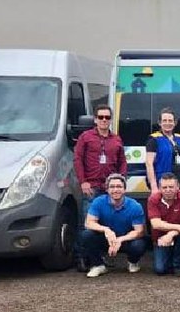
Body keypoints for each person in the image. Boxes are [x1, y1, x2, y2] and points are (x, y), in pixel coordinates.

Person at [73, 104, 127, 272]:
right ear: (95, 119)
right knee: (87, 224)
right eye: (101, 117)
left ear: (110, 120)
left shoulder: (116, 139)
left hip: (109, 189)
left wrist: (121, 180)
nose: (104, 120)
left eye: (107, 117)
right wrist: (83, 181)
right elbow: (78, 160)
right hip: (92, 186)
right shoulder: (85, 137)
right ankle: (81, 258)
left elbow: (122, 162)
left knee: (105, 223)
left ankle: (99, 256)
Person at [80, 173, 146, 278]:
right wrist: (106, 230)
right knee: (86, 235)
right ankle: (98, 265)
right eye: (112, 187)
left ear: (125, 189)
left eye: (119, 187)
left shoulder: (135, 206)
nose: (115, 190)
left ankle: (133, 262)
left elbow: (139, 231)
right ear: (107, 189)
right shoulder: (98, 202)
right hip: (106, 239)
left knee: (139, 244)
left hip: (125, 240)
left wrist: (120, 240)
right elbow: (88, 223)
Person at [147, 172, 180, 277]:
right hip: (160, 238)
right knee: (160, 269)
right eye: (164, 187)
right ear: (160, 188)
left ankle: (177, 264)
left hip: (179, 236)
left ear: (177, 187)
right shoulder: (153, 199)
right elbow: (155, 224)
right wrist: (179, 227)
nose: (168, 190)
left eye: (171, 187)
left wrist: (171, 234)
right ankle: (169, 257)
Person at [145, 107, 180, 193]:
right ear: (160, 123)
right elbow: (149, 164)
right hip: (164, 183)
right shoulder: (154, 139)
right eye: (164, 120)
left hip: (179, 182)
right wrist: (154, 186)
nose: (167, 123)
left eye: (170, 120)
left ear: (175, 122)